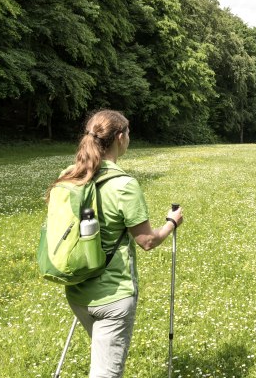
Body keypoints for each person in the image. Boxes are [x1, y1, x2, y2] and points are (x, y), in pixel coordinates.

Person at [46, 109, 183, 378]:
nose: (129, 138)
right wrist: (172, 222)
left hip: (76, 289)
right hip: (113, 297)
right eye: (128, 132)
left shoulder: (70, 176)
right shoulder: (124, 185)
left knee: (102, 361)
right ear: (120, 137)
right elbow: (147, 241)